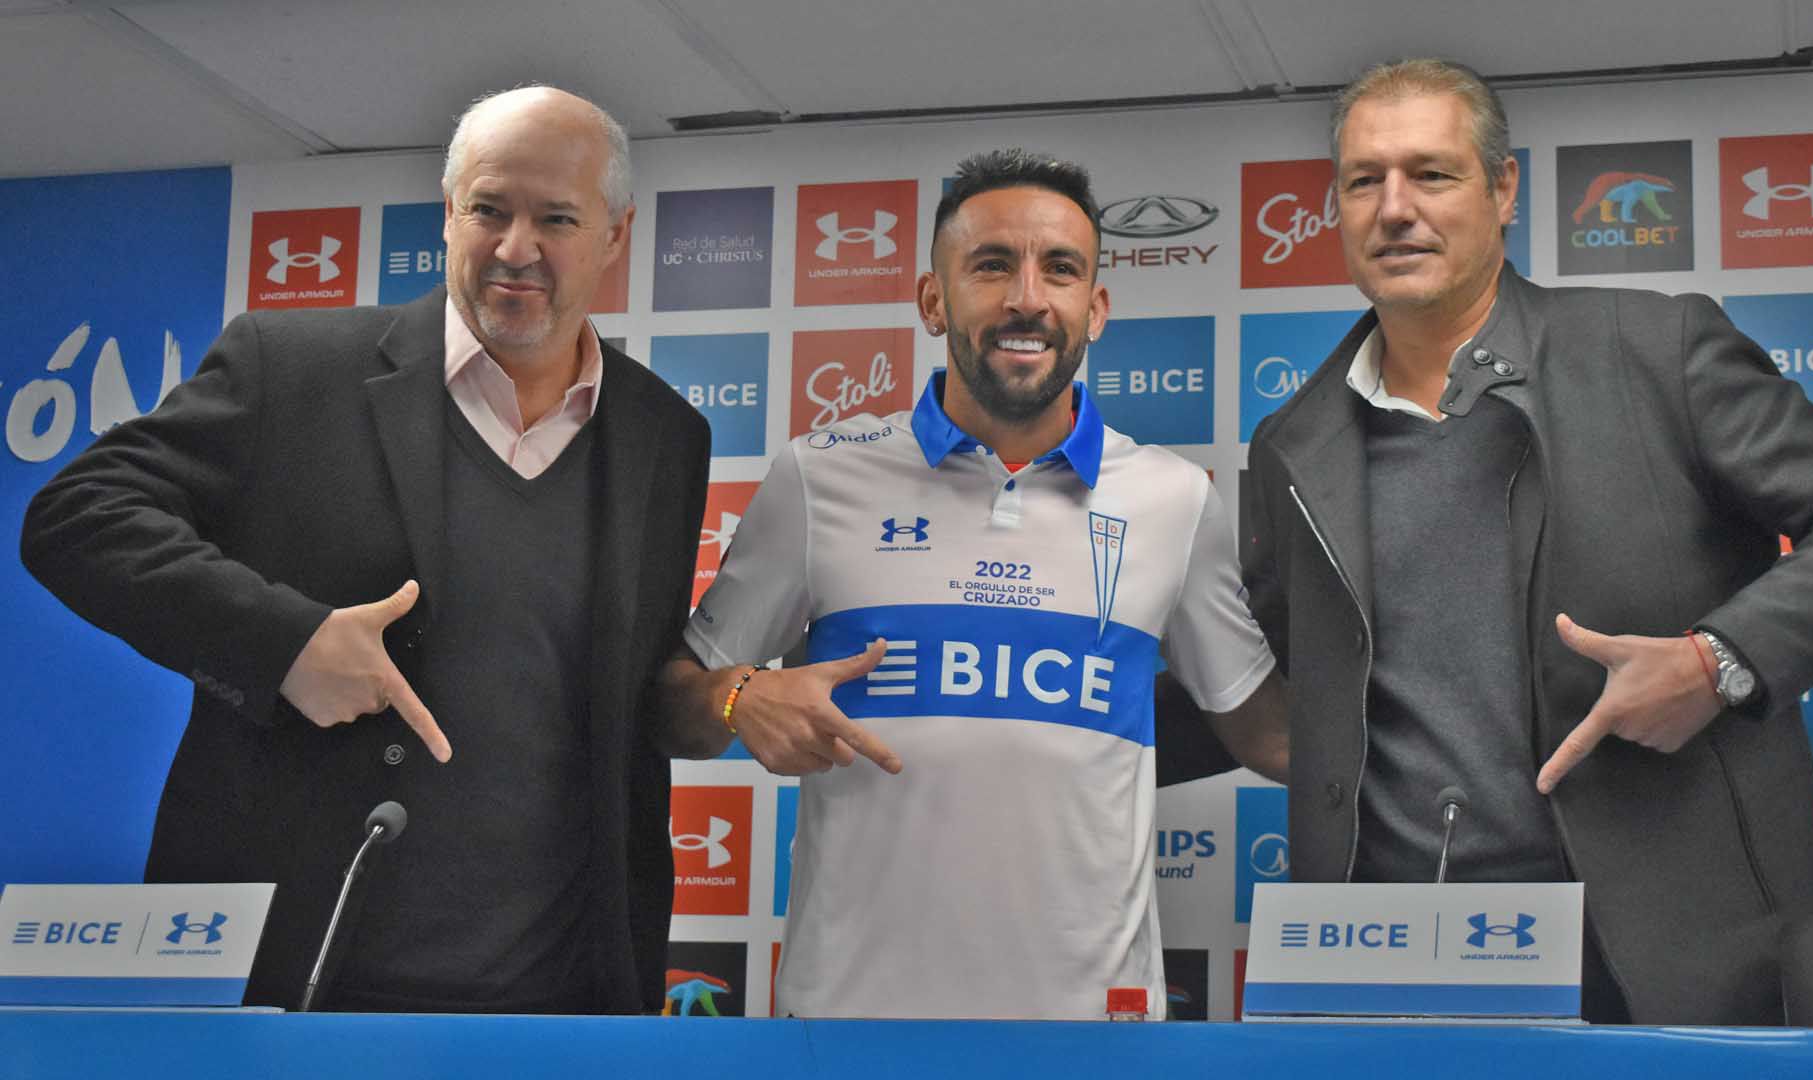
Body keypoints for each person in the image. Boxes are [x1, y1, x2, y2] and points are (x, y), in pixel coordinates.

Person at [1240, 58, 1813, 1025]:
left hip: (1671, 950)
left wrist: (1718, 663)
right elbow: (1288, 674)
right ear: (1337, 206)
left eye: (1431, 174)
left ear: (1503, 189)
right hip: (1397, 966)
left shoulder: (1653, 348)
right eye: (1364, 180)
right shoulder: (1290, 446)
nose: (1395, 208)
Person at [20, 85, 710, 1014]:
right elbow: (75, 513)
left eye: (557, 218)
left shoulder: (663, 436)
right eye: (490, 210)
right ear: (448, 212)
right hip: (302, 978)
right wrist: (286, 643)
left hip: (561, 998)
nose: (517, 249)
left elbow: (630, 695)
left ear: (615, 236)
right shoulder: (294, 368)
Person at [656, 148, 1288, 1020]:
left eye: (1059, 269)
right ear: (932, 299)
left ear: (1094, 308)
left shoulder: (1174, 501)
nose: (1027, 297)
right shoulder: (817, 477)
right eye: (992, 266)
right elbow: (675, 704)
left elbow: (1272, 734)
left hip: (1093, 1027)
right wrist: (739, 697)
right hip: (851, 1018)